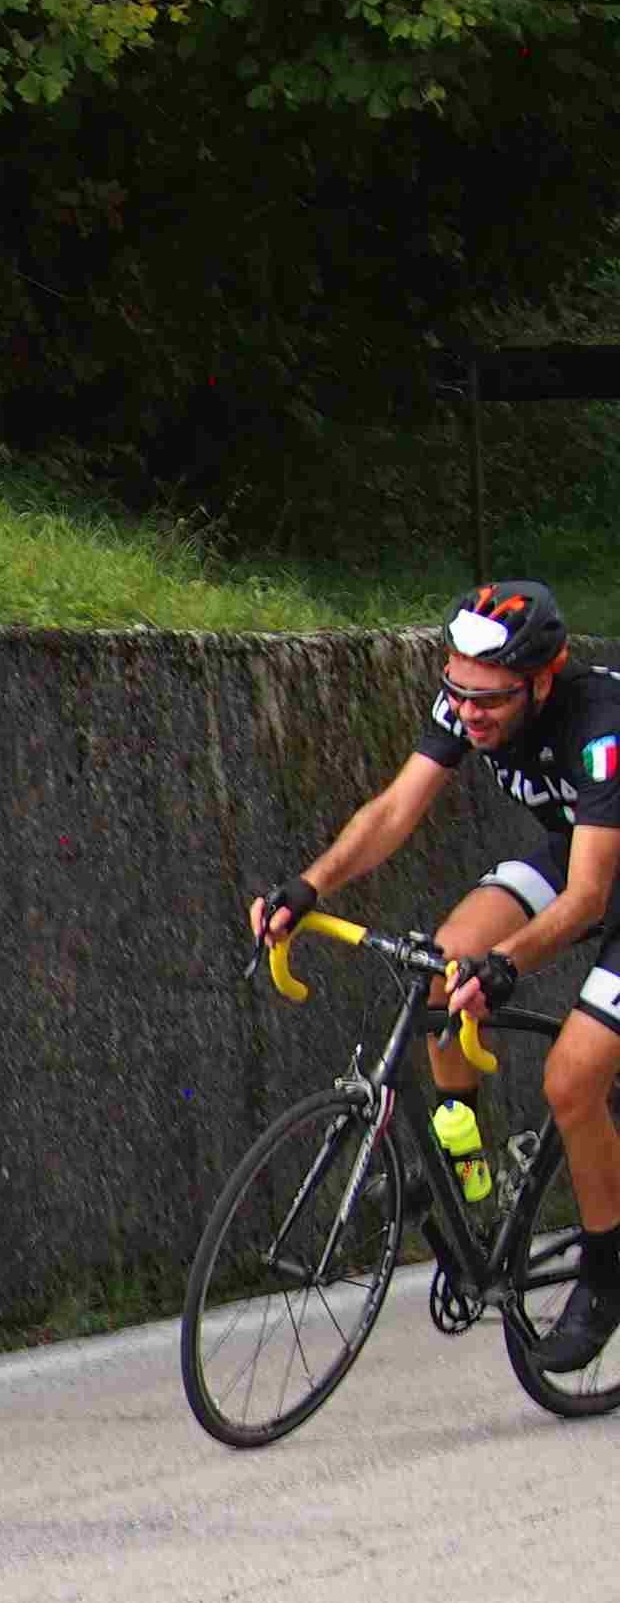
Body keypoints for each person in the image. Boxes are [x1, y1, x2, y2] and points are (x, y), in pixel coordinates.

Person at [249, 576, 620, 1365]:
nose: (469, 713)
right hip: (581, 851)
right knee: (442, 968)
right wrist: (309, 886)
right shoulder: (471, 701)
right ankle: (466, 1173)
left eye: (489, 699)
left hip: (600, 872)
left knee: (572, 1078)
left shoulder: (601, 726)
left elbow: (590, 896)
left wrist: (508, 963)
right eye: (457, 691)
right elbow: (393, 810)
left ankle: (606, 1275)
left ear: (542, 681)